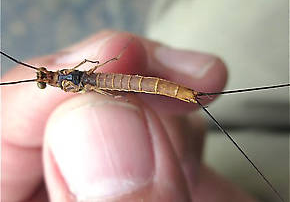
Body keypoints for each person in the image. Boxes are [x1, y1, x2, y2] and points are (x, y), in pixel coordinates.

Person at [1, 31, 256, 201]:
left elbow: (87, 69)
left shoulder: (66, 81)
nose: (47, 77)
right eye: (44, 80)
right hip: (108, 80)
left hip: (108, 80)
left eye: (45, 76)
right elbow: (87, 66)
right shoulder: (68, 78)